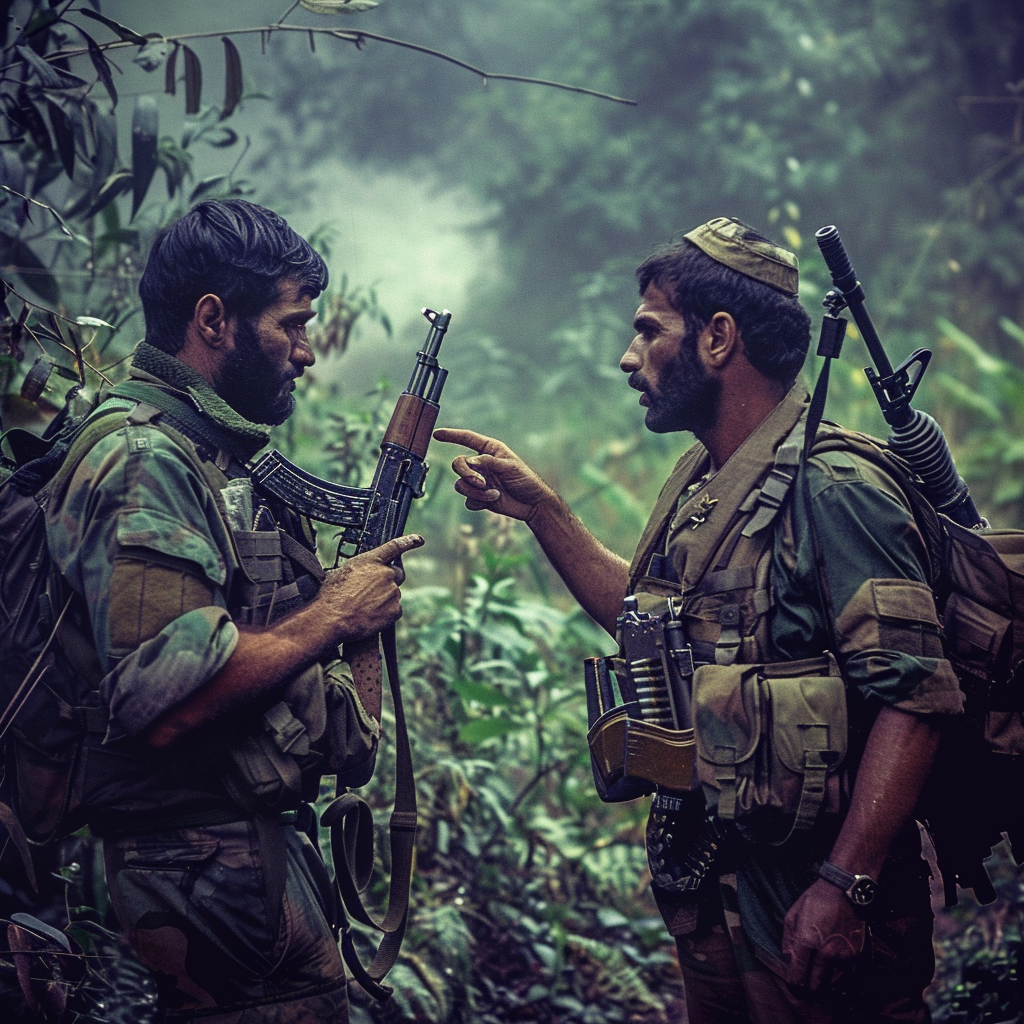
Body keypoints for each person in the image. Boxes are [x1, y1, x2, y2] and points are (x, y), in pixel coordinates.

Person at [435, 217, 963, 1023]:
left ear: (719, 339)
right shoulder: (705, 480)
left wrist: (844, 887)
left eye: (649, 330)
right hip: (715, 898)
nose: (628, 357)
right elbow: (654, 629)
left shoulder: (835, 488)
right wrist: (543, 511)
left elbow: (915, 699)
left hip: (813, 905)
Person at [43, 199, 422, 1022]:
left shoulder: (198, 451)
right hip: (194, 859)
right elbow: (167, 704)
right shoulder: (145, 459)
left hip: (226, 846)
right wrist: (333, 617)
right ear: (213, 320)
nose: (308, 351)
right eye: (291, 324)